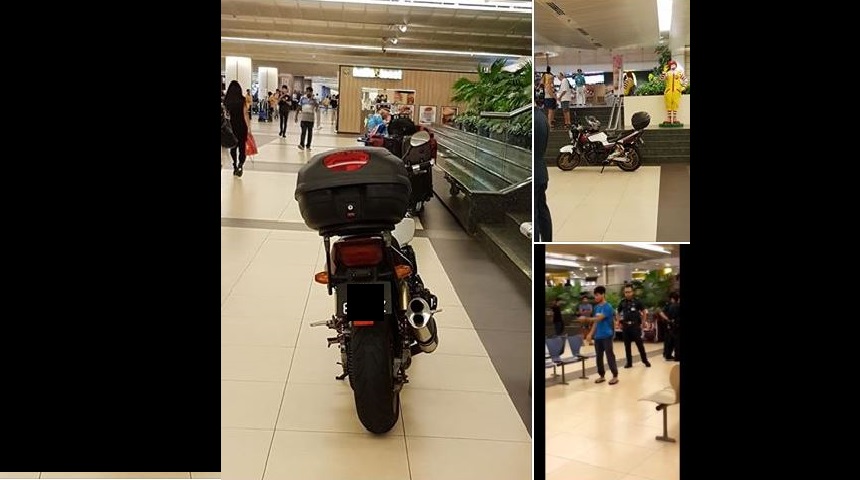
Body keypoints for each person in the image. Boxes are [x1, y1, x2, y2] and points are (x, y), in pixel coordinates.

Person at [580, 286, 619, 385]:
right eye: (595, 295)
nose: (595, 297)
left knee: (609, 355)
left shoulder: (608, 307)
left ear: (603, 294)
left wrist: (586, 319)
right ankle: (602, 376)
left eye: (597, 295)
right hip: (598, 336)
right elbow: (596, 323)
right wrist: (590, 334)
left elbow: (598, 319)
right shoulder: (597, 307)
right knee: (599, 357)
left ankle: (615, 376)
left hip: (607, 335)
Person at [617, 285, 652, 368]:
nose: (627, 294)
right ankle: (629, 363)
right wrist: (619, 322)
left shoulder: (637, 301)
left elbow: (644, 311)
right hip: (626, 327)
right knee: (627, 346)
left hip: (635, 326)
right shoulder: (622, 302)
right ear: (624, 293)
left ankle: (645, 360)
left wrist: (643, 322)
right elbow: (617, 312)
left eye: (629, 292)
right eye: (626, 292)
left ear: (632, 292)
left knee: (640, 345)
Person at [533, 106, 552, 241]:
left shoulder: (535, 119)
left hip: (535, 170)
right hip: (540, 170)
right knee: (542, 209)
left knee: (535, 213)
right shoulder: (541, 117)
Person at [224, 80, 250, 177]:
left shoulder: (227, 101)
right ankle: (241, 164)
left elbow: (226, 115)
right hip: (242, 126)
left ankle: (234, 165)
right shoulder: (242, 100)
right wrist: (249, 128)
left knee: (233, 148)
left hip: (231, 126)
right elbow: (245, 114)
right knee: (242, 147)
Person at [660, 60, 687, 124]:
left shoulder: (679, 73)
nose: (673, 66)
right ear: (669, 66)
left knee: (675, 104)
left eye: (674, 64)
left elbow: (685, 80)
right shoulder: (667, 73)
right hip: (668, 91)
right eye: (671, 65)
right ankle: (669, 118)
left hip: (676, 91)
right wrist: (664, 72)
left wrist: (683, 87)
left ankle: (674, 118)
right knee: (668, 104)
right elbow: (661, 79)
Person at [658, 292, 680, 360]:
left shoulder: (670, 305)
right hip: (676, 325)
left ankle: (667, 355)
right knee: (676, 341)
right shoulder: (677, 305)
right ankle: (677, 356)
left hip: (670, 325)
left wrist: (668, 319)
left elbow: (660, 312)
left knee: (670, 341)